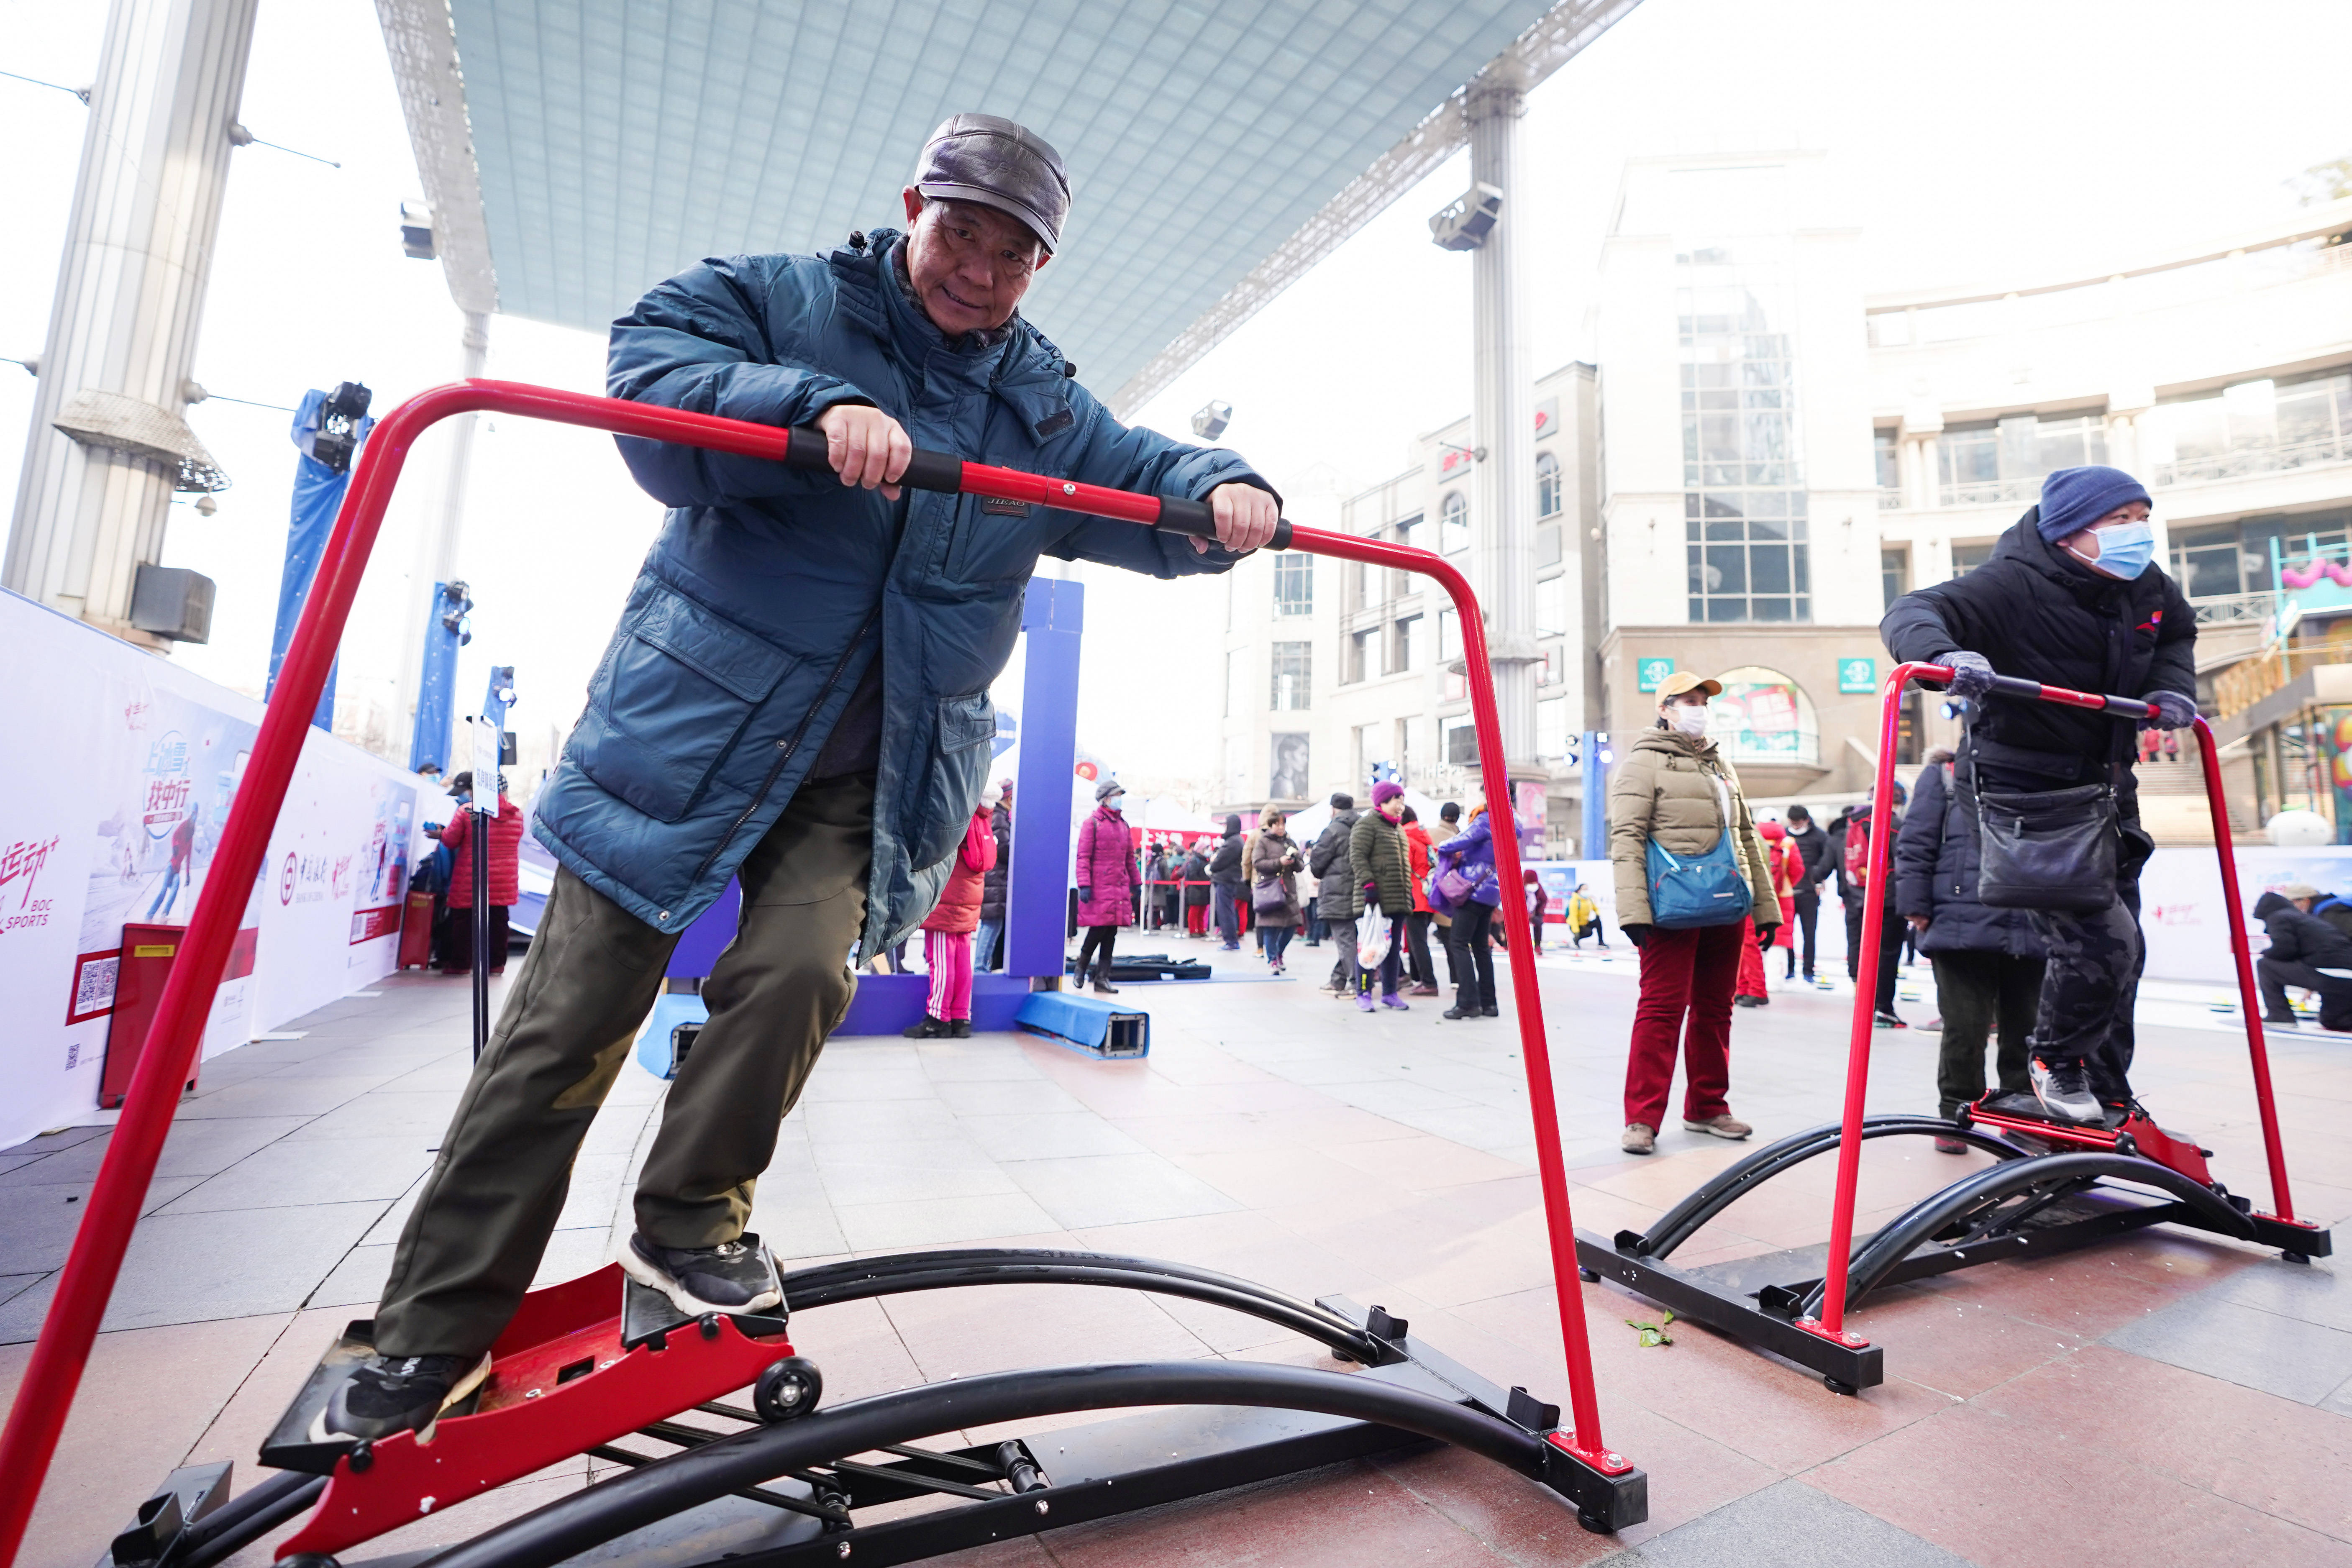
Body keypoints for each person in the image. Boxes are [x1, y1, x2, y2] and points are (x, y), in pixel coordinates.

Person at [320, 113, 1282, 1443]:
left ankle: (687, 1227)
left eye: (1015, 254)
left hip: (874, 769)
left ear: (1040, 268)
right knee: (564, 1029)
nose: (980, 271)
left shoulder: (1037, 400)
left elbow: (1140, 473)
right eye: (961, 234)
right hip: (691, 731)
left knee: (801, 972)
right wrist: (807, 407)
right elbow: (653, 371)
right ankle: (430, 1333)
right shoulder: (775, 301)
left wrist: (1221, 485)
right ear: (910, 209)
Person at [1883, 464, 2195, 1125]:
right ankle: (2051, 1060)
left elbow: (2175, 634)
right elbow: (1913, 610)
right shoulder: (2012, 583)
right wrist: (1946, 658)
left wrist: (2170, 691)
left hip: (2107, 788)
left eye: (2142, 517)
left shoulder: (2145, 587)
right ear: (2069, 533)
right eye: (2119, 521)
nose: (2138, 533)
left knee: (2122, 960)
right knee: (2104, 943)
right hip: (2027, 795)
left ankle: (2107, 1101)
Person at [1607, 671, 1776, 1156]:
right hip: (1669, 907)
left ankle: (1707, 1106)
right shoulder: (1641, 764)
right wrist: (1633, 910)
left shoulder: (1721, 764)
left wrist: (1763, 907)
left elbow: (1746, 837)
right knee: (1661, 1009)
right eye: (1687, 700)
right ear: (1664, 708)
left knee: (1716, 1010)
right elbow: (1627, 840)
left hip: (1726, 903)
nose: (1698, 707)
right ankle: (1641, 1118)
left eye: (1702, 700)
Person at [1895, 748, 2049, 1151]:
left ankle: (2022, 1115)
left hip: (2028, 919)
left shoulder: (2042, 767)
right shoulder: (1945, 774)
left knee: (2027, 1031)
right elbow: (1916, 841)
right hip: (1959, 918)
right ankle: (1956, 1113)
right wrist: (1915, 905)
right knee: (1965, 1028)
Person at [906, 783, 1001, 1038]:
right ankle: (961, 1018)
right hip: (969, 900)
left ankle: (937, 1018)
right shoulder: (983, 817)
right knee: (962, 962)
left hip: (946, 898)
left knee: (941, 962)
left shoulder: (958, 815)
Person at [1830, 782, 1907, 1028]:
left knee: (1864, 950)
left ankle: (1865, 1001)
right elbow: (1905, 862)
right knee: (1887, 953)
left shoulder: (1854, 822)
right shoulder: (1893, 824)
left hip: (1859, 897)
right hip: (1889, 898)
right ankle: (1883, 1008)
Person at [435, 771, 523, 977]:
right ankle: (496, 965)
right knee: (499, 922)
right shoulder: (517, 814)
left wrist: (440, 833)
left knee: (465, 921)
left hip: (472, 876)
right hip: (504, 878)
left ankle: (461, 964)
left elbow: (450, 841)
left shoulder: (468, 811)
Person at [1434, 802, 1504, 1020]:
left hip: (1473, 890)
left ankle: (1467, 1003)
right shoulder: (1511, 822)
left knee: (1458, 943)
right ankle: (1489, 1004)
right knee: (1482, 947)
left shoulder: (1486, 821)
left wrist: (1446, 848)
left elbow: (1455, 843)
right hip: (1491, 892)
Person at [1350, 781, 1414, 1011]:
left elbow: (1404, 865)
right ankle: (1364, 993)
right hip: (1373, 899)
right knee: (1370, 947)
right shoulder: (1366, 824)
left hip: (1397, 899)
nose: (1402, 806)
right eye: (1398, 800)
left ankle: (1389, 993)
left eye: (1403, 801)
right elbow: (1357, 856)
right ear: (1384, 801)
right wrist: (1369, 885)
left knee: (1392, 949)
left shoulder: (1398, 830)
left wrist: (1408, 893)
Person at [2252, 884, 2352, 1030]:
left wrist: (2266, 952)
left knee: (2265, 965)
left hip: (2328, 974)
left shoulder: (2279, 917)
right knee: (2333, 1021)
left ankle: (2280, 1016)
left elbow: (2285, 950)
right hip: (2344, 977)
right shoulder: (2311, 919)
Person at [1073, 779, 1138, 994]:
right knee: (1098, 929)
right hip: (1099, 886)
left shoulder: (1123, 825)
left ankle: (1102, 977)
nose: (1119, 800)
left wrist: (1136, 882)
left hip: (1118, 886)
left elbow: (1130, 858)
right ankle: (1081, 966)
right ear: (1106, 798)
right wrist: (1084, 884)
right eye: (1116, 795)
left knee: (1112, 932)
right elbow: (1083, 857)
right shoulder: (1092, 823)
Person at [1310, 791, 1363, 997]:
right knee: (1349, 936)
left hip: (1337, 892)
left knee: (1345, 938)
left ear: (1333, 809)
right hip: (1360, 890)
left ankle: (1356, 982)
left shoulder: (1333, 830)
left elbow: (1317, 864)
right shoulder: (1361, 826)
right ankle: (1338, 980)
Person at [1250, 807, 1304, 974]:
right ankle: (1272, 959)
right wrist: (1279, 862)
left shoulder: (1290, 842)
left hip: (1288, 890)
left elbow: (1301, 866)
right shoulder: (1263, 841)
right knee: (1271, 926)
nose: (1280, 828)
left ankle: (1279, 954)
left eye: (1283, 824)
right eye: (1277, 824)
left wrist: (1294, 861)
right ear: (1271, 825)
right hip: (1270, 890)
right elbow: (1258, 863)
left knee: (1292, 925)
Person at [1784, 804, 1829, 985]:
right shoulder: (1783, 835)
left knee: (1809, 933)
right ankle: (1789, 970)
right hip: (1787, 892)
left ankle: (1808, 970)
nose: (1796, 826)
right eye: (1792, 823)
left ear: (1807, 820)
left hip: (1810, 892)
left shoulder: (1820, 836)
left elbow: (1827, 861)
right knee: (1787, 933)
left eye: (1799, 823)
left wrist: (1820, 880)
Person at [1399, 805, 1440, 994]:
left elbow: (1404, 868)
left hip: (1414, 895)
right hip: (1427, 894)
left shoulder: (1407, 838)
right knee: (1417, 939)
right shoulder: (1424, 837)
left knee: (1418, 942)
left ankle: (1429, 982)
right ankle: (1418, 979)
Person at [974, 778, 1012, 971]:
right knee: (991, 924)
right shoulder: (999, 817)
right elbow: (1006, 849)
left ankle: (983, 966)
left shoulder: (997, 816)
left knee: (992, 924)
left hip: (994, 879)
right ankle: (980, 966)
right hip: (996, 881)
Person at [147, 810, 196, 919]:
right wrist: (175, 846)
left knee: (175, 889)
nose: (193, 820)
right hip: (171, 866)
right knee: (164, 891)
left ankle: (165, 912)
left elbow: (189, 858)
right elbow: (174, 836)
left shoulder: (190, 839)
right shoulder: (184, 826)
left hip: (177, 871)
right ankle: (150, 914)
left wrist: (188, 875)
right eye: (193, 816)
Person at [1209, 812, 1246, 949]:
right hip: (1230, 880)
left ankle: (1231, 941)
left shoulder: (1233, 842)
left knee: (1226, 911)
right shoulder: (1237, 840)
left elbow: (1218, 863)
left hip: (1226, 881)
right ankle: (1231, 940)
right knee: (1228, 910)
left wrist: (1213, 863)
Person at [1180, 843, 1211, 935]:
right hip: (1196, 889)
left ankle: (1201, 930)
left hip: (1204, 889)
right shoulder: (1195, 860)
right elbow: (1192, 875)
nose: (1207, 851)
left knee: (1202, 911)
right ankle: (1193, 931)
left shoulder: (1205, 860)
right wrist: (1203, 882)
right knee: (1194, 911)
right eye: (1206, 848)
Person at [1568, 884, 1605, 949]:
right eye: (1584, 890)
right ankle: (1576, 939)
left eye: (1587, 889)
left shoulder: (1589, 900)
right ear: (1579, 891)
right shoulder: (1574, 901)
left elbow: (1596, 908)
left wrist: (1597, 914)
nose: (1586, 891)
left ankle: (1601, 942)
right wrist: (1576, 932)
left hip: (1585, 923)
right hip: (1576, 925)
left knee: (1598, 922)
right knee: (1589, 932)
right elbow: (1574, 918)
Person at [1523, 871, 1549, 954]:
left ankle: (1538, 946)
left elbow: (1544, 900)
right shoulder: (1520, 888)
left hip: (1535, 913)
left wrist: (1540, 912)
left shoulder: (1539, 888)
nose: (1533, 885)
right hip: (1522, 914)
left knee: (1539, 923)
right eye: (1531, 883)